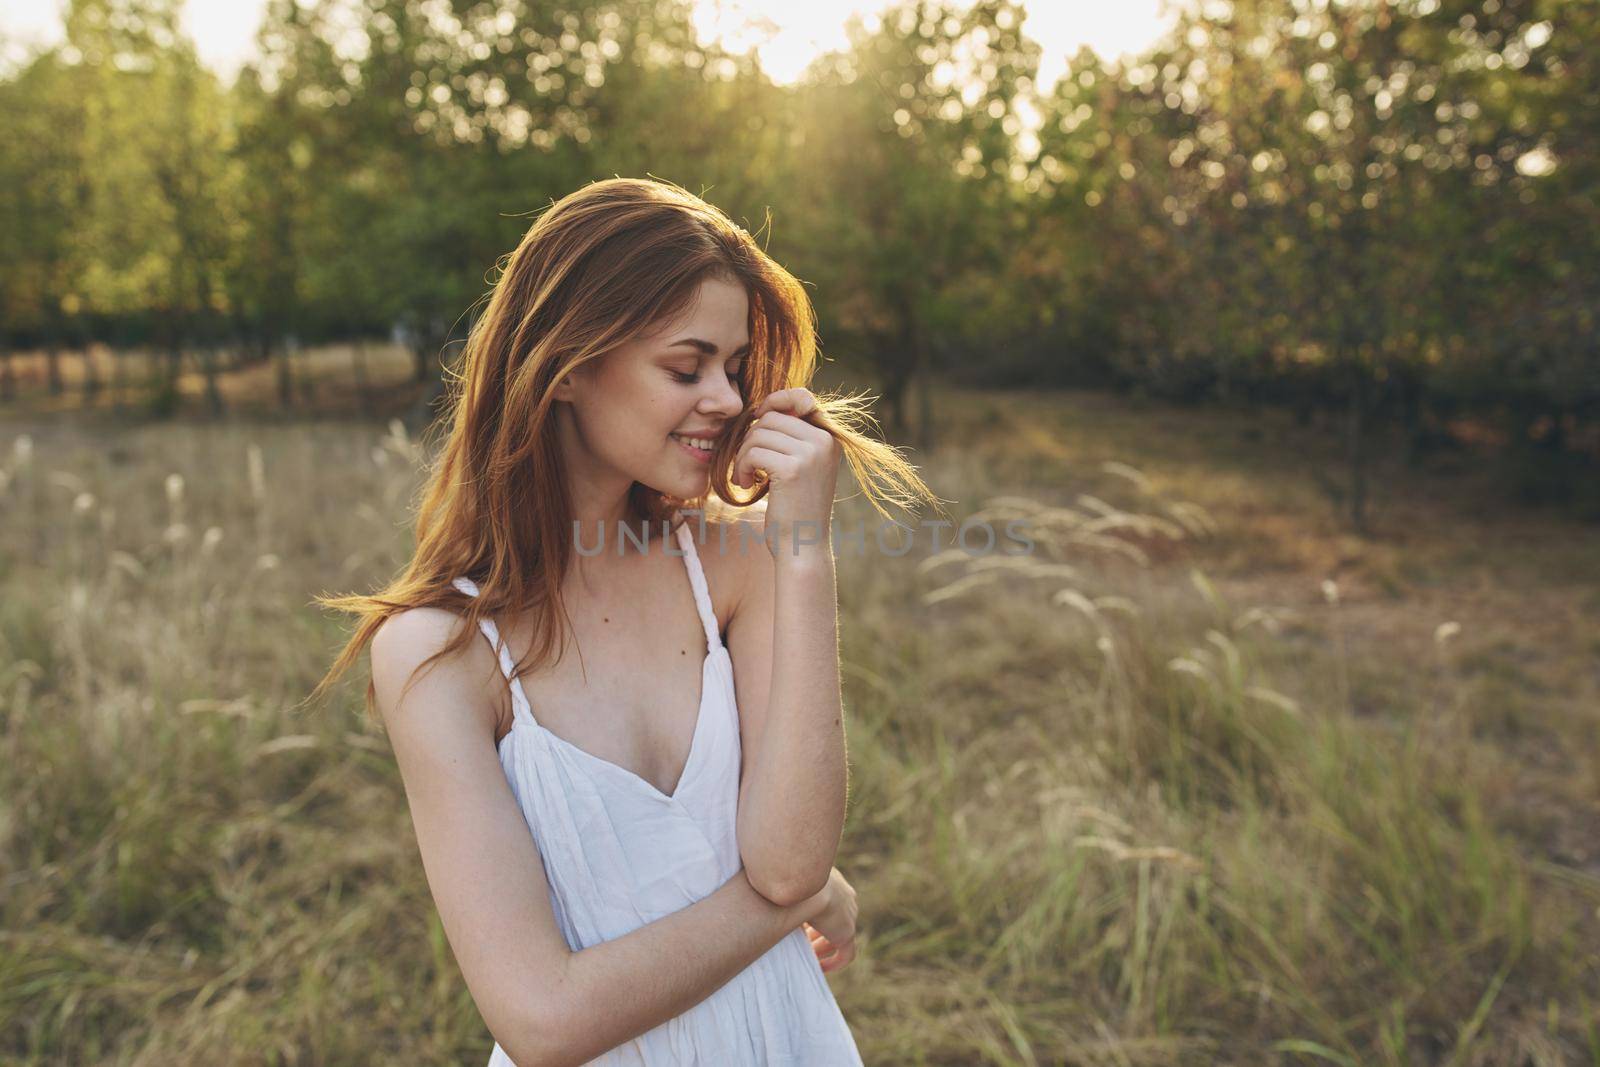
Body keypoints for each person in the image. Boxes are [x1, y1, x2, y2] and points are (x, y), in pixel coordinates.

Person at [309, 176, 941, 1065]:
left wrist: (805, 553)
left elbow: (789, 857)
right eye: (686, 367)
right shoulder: (437, 653)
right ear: (568, 367)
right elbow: (543, 1018)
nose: (725, 398)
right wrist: (786, 905)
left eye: (732, 367)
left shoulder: (738, 565)